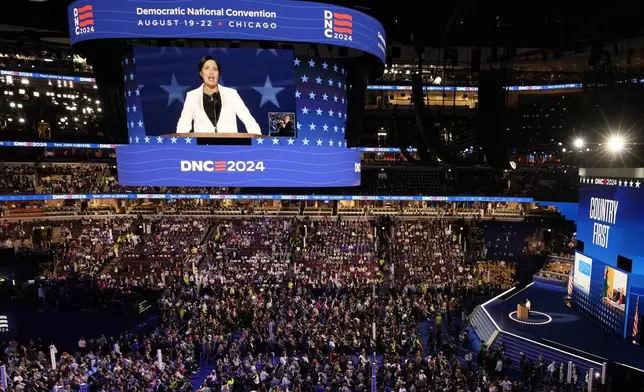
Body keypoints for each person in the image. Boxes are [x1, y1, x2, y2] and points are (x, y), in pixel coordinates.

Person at [176, 56, 261, 135]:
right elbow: (183, 126)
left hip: (229, 147)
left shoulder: (231, 94)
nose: (211, 72)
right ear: (201, 73)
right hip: (203, 148)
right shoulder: (192, 96)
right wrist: (180, 146)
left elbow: (250, 122)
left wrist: (258, 144)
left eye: (215, 69)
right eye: (207, 68)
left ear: (218, 74)